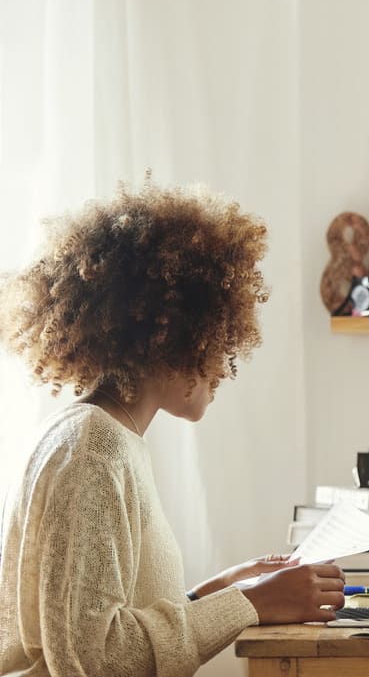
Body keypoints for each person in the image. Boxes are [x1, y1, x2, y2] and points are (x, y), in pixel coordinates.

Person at [0, 180, 346, 677]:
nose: (224, 362)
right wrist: (249, 604)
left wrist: (218, 590)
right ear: (174, 335)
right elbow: (95, 660)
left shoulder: (106, 437)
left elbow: (100, 623)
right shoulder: (92, 450)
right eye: (218, 337)